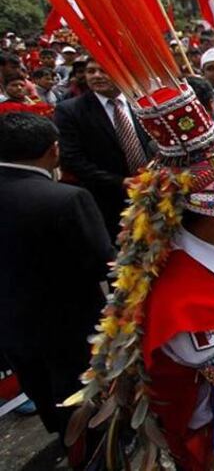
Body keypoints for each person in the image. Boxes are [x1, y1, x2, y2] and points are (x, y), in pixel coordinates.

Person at [0, 113, 113, 462]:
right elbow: (103, 263)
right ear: (53, 150)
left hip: (13, 326)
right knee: (82, 405)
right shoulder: (66, 199)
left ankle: (68, 444)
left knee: (42, 390)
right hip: (71, 328)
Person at [53, 59, 152, 241]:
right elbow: (72, 159)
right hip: (106, 201)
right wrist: (121, 182)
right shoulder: (70, 110)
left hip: (152, 195)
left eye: (103, 70)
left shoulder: (143, 102)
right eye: (91, 71)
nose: (96, 76)